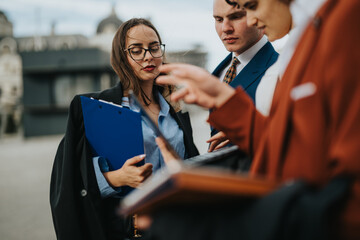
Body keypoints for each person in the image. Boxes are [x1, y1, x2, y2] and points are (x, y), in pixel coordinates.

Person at [141, 0, 360, 239]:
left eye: (250, 7)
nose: (252, 20)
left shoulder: (343, 20)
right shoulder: (307, 33)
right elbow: (292, 149)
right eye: (218, 19)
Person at [50, 18, 199, 240]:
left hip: (177, 225)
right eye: (136, 50)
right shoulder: (98, 110)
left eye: (154, 48)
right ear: (123, 57)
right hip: (128, 229)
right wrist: (117, 178)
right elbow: (71, 179)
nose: (148, 56)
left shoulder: (176, 111)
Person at [208, 0, 278, 152]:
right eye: (219, 19)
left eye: (236, 16)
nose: (225, 28)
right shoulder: (219, 71)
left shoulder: (280, 70)